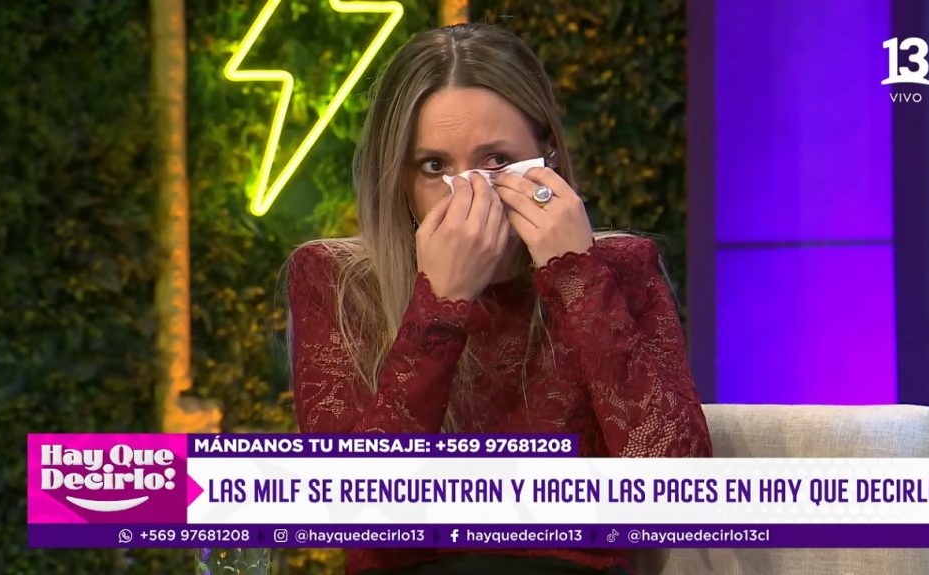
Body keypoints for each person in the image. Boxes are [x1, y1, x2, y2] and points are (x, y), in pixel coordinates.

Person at [288, 23, 712, 575]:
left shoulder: (620, 270)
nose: (470, 193)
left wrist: (576, 275)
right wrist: (440, 303)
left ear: (546, 156)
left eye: (495, 161)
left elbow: (680, 491)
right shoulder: (337, 281)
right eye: (435, 167)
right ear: (398, 180)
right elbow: (354, 511)